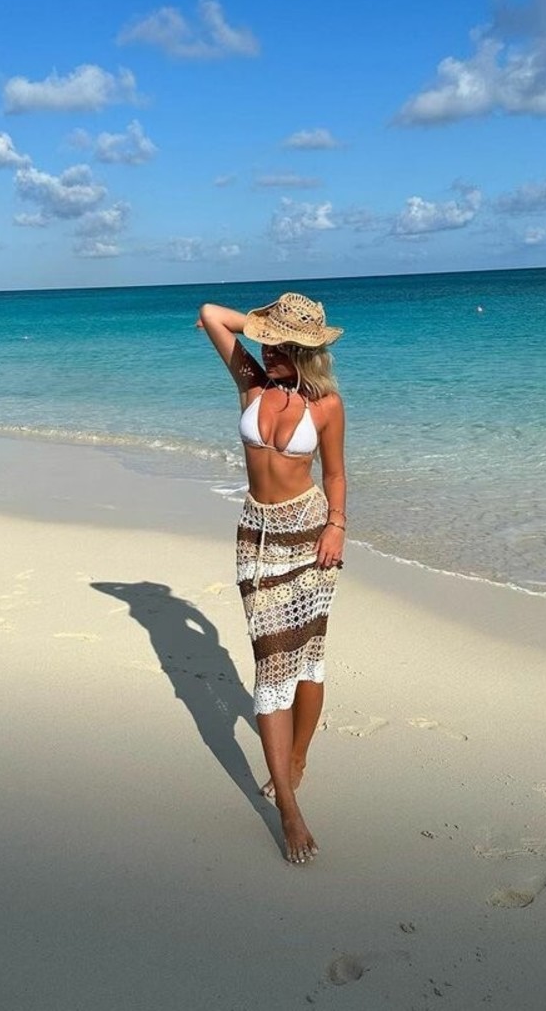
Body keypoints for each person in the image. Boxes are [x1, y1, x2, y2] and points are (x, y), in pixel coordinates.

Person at [196, 292, 346, 865]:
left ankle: (298, 757)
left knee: (308, 656)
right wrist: (265, 326)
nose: (266, 351)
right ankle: (288, 807)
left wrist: (337, 527)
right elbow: (212, 314)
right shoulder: (251, 382)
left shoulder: (326, 405)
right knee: (270, 666)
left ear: (304, 352)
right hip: (256, 538)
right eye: (266, 342)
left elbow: (335, 474)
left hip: (309, 535)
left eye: (281, 347)